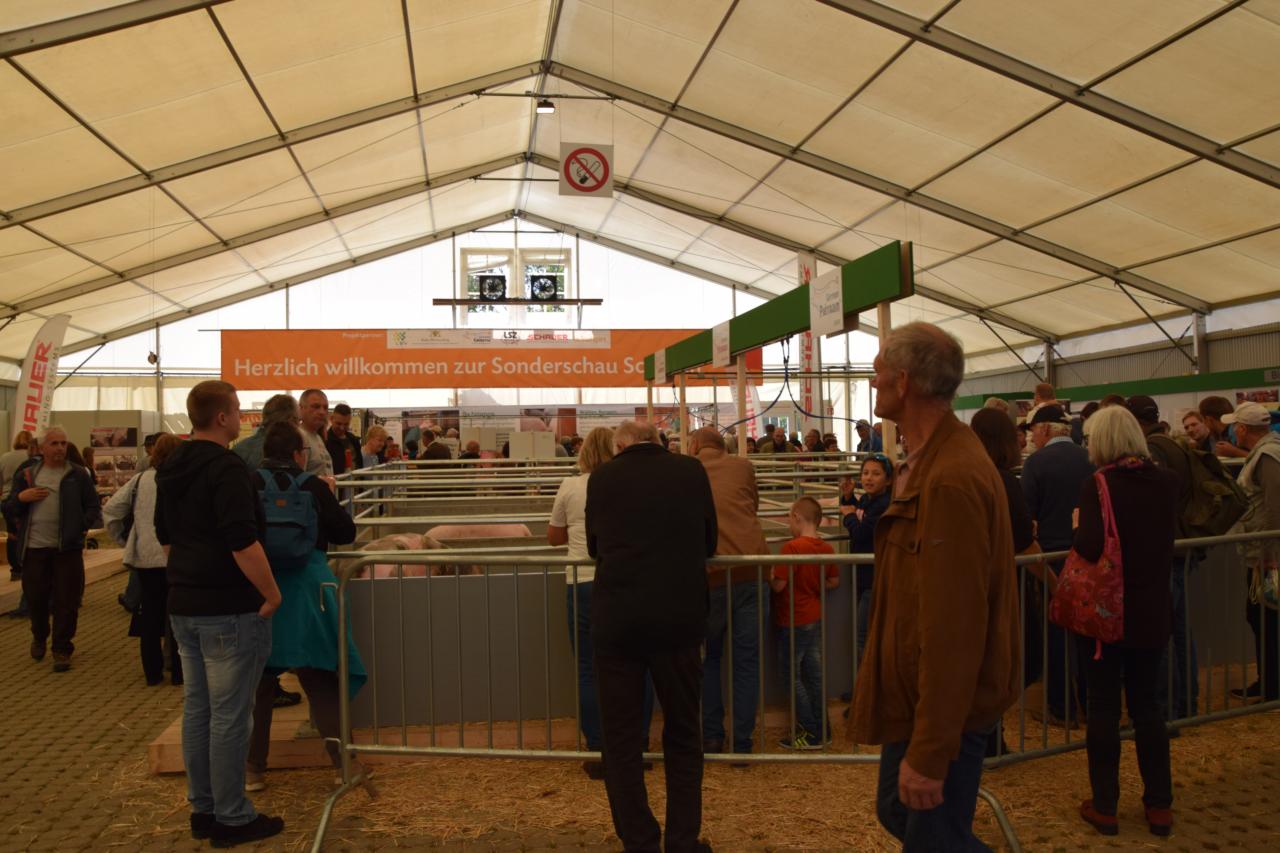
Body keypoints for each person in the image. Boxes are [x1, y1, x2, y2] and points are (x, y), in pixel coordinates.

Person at [848, 322, 1019, 851]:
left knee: (931, 837)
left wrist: (931, 749)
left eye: (878, 371)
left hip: (945, 703)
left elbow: (955, 628)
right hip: (919, 690)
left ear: (903, 382)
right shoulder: (929, 462)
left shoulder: (949, 479)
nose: (872, 382)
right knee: (897, 810)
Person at [155, 380, 285, 847]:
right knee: (230, 716)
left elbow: (165, 537)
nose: (240, 416)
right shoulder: (227, 469)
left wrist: (188, 573)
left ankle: (204, 808)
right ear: (223, 417)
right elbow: (241, 540)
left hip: (184, 603)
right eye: (236, 408)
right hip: (228, 607)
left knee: (199, 710)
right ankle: (232, 817)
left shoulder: (171, 466)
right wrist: (271, 593)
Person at [586, 420, 715, 853]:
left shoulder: (602, 477)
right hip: (679, 620)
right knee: (683, 732)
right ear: (659, 441)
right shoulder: (691, 471)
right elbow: (709, 540)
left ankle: (639, 840)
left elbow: (594, 546)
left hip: (618, 621)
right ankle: (682, 840)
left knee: (620, 738)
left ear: (621, 445)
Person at [1072, 405, 1178, 838]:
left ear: (1100, 441)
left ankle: (1106, 805)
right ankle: (1159, 806)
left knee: (1103, 707)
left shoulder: (1098, 485)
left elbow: (1090, 545)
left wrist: (1077, 525)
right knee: (1148, 707)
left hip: (1108, 615)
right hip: (1152, 610)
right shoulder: (1166, 481)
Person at [246, 421, 364, 792]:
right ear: (299, 455)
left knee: (259, 685)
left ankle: (252, 771)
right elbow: (346, 532)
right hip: (309, 593)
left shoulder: (248, 483)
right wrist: (328, 497)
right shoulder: (312, 486)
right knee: (320, 679)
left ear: (265, 454)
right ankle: (344, 766)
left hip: (258, 589)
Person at [549, 427, 654, 779]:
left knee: (588, 668)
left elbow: (554, 537)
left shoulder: (570, 486)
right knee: (638, 665)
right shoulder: (632, 483)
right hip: (627, 581)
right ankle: (638, 744)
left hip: (581, 581)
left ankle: (598, 746)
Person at [689, 426, 768, 758]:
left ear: (695, 445)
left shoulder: (689, 470)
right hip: (752, 568)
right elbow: (753, 505)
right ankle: (742, 743)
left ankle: (711, 736)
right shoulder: (743, 466)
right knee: (746, 661)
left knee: (709, 659)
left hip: (712, 572)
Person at [4, 426, 101, 673]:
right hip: (35, 548)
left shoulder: (77, 475)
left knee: (67, 601)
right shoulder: (27, 475)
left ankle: (62, 649)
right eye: (54, 443)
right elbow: (9, 507)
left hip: (67, 549)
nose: (60, 448)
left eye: (63, 443)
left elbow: (93, 505)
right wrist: (22, 498)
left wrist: (80, 526)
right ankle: (39, 635)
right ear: (42, 447)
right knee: (36, 598)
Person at [1021, 403, 1095, 724]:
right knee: (1088, 631)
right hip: (1087, 555)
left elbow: (1027, 513)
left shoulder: (1036, 463)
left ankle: (1061, 707)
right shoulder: (1090, 458)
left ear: (1045, 430)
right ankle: (1092, 705)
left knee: (1056, 631)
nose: (1032, 439)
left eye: (1034, 433)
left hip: (1051, 557)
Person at [971, 408, 1038, 756]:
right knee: (1010, 660)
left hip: (976, 582)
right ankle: (987, 737)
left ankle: (986, 738)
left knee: (985, 663)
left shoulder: (971, 476)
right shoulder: (1004, 481)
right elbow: (1022, 537)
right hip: (1004, 583)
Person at [1127, 395, 1199, 722]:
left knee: (1162, 630)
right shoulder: (1174, 444)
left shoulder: (1153, 450)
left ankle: (1166, 707)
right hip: (1181, 545)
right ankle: (1186, 702)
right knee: (1180, 628)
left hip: (1166, 548)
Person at [104, 433, 184, 685]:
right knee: (178, 617)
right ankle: (180, 674)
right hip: (178, 557)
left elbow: (111, 510)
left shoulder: (140, 480)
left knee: (150, 615)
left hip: (147, 557)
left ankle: (152, 674)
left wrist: (124, 540)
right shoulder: (186, 479)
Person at [771, 496, 837, 749]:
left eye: (790, 518)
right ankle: (823, 730)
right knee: (814, 675)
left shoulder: (791, 548)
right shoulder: (827, 549)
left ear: (797, 517)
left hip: (793, 617)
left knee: (791, 675)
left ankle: (810, 731)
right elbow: (834, 581)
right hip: (814, 614)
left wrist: (769, 573)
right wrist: (814, 586)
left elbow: (779, 586)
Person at [1225, 401, 1280, 703]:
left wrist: (1268, 554)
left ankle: (1272, 686)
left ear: (1243, 428)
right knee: (1261, 617)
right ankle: (1268, 681)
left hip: (1267, 555)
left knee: (1265, 618)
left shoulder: (1268, 456)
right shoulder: (1265, 452)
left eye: (1235, 426)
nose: (1233, 431)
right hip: (1262, 552)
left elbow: (1275, 507)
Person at [840, 453, 892, 665]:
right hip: (863, 575)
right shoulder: (866, 500)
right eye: (865, 473)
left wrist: (849, 516)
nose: (869, 478)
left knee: (862, 636)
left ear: (888, 480)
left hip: (874, 577)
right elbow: (858, 516)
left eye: (876, 474)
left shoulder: (884, 505)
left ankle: (865, 680)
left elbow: (861, 532)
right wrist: (848, 498)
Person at [233, 394, 299, 471]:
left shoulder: (238, 449)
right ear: (291, 421)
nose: (299, 427)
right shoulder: (291, 454)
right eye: (298, 420)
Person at [1, 431, 34, 583]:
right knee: (29, 534)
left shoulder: (5, 457)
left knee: (12, 536)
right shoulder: (30, 458)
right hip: (27, 498)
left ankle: (15, 570)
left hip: (7, 500)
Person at [299, 389, 335, 477]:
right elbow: (298, 478)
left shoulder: (318, 437)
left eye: (325, 408)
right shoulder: (299, 437)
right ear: (301, 408)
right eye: (316, 406)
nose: (322, 412)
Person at [325, 403, 363, 475]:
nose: (342, 428)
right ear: (331, 419)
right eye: (338, 424)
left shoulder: (353, 440)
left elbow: (359, 463)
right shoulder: (325, 441)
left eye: (346, 424)